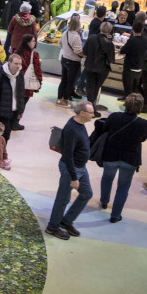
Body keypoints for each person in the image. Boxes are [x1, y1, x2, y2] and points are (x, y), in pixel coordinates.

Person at [96, 93, 147, 223]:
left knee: (107, 178)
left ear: (125, 104)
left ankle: (104, 201)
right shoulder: (143, 123)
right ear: (140, 107)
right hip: (130, 158)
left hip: (110, 155)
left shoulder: (114, 116)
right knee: (123, 187)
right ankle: (115, 215)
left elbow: (105, 129)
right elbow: (143, 138)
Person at [46, 101, 96, 240]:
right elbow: (67, 155)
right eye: (91, 112)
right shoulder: (72, 129)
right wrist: (74, 178)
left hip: (80, 167)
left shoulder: (80, 124)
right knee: (63, 199)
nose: (93, 114)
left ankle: (66, 221)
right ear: (82, 113)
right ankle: (52, 227)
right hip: (71, 169)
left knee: (86, 194)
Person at [0, 53, 28, 142]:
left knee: (7, 136)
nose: (18, 66)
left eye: (20, 64)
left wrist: (21, 110)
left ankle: (2, 153)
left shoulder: (20, 75)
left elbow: (21, 94)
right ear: (9, 63)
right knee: (3, 136)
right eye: (16, 64)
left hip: (14, 111)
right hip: (2, 112)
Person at [83, 21, 115, 113]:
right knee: (96, 88)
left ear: (100, 28)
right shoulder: (110, 44)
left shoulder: (92, 38)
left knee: (90, 87)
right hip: (102, 69)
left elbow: (85, 52)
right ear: (109, 31)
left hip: (90, 66)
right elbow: (111, 59)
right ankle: (92, 107)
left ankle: (89, 107)